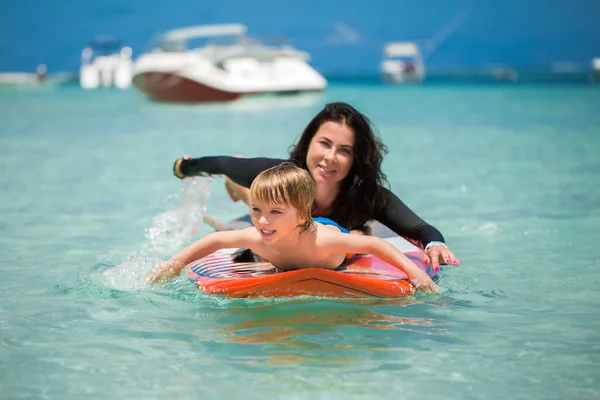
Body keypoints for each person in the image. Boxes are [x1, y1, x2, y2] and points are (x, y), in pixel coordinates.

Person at [173, 102, 459, 271]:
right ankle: (240, 190)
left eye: (344, 150)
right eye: (324, 143)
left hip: (330, 238)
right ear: (309, 142)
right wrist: (185, 167)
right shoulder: (279, 174)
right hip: (271, 209)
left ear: (355, 158)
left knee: (358, 232)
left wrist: (435, 244)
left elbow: (421, 230)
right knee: (256, 195)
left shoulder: (366, 195)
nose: (330, 157)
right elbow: (223, 163)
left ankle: (244, 191)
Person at [147, 163, 438, 292]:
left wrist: (413, 272)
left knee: (359, 235)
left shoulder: (325, 242)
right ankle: (243, 191)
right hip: (292, 225)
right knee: (263, 211)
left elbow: (375, 246)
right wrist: (175, 263)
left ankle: (249, 195)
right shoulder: (260, 233)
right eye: (259, 212)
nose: (262, 222)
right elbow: (219, 241)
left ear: (302, 216)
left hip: (329, 229)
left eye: (274, 212)